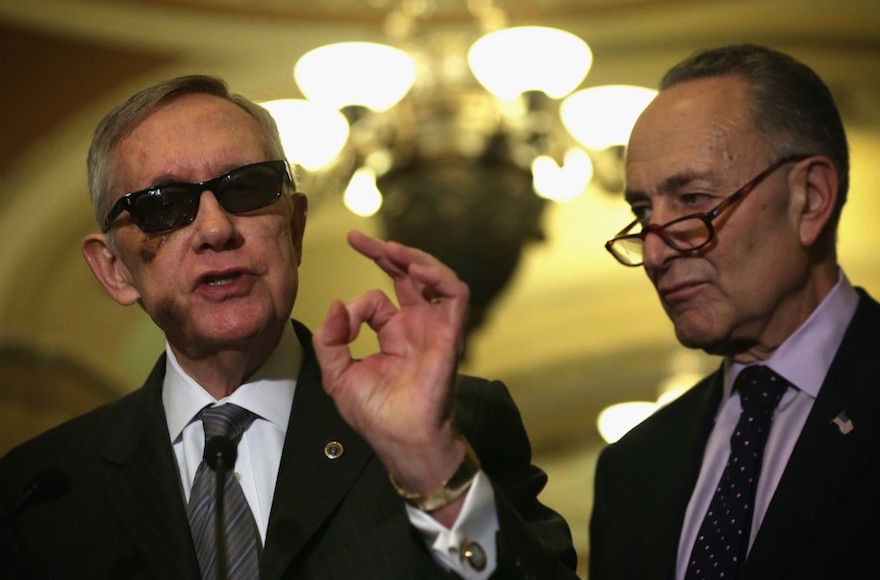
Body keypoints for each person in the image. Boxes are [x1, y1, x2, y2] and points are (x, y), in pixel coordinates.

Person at [0, 75, 577, 579]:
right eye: (164, 204)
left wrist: (434, 471)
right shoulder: (41, 488)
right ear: (113, 269)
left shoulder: (454, 427)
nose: (216, 228)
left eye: (245, 188)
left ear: (295, 229)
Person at [589, 43, 880, 579]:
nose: (653, 252)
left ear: (811, 198)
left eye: (695, 200)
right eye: (641, 211)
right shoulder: (631, 470)